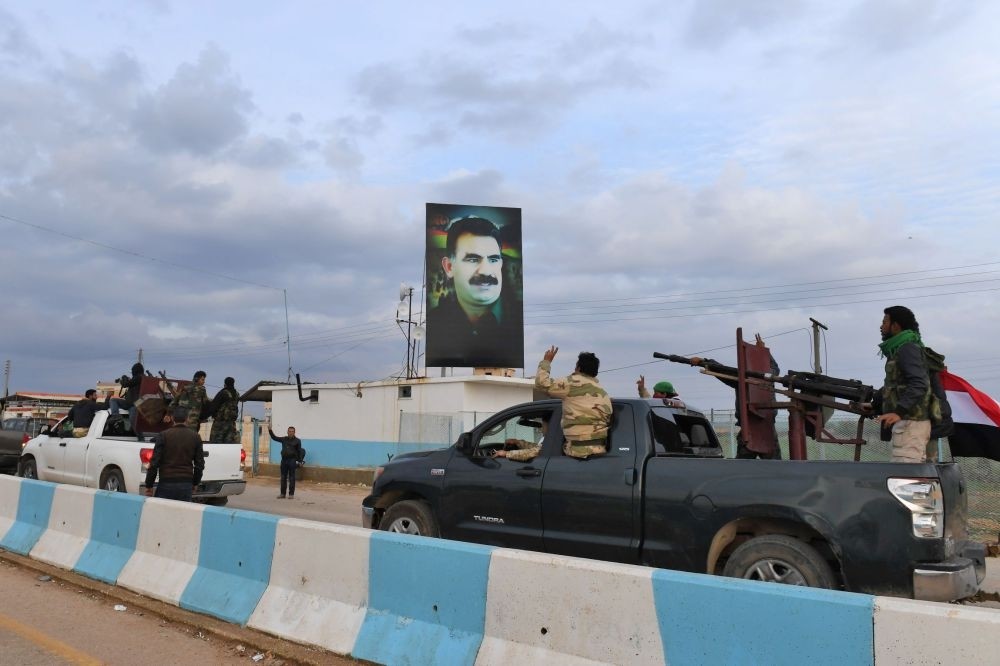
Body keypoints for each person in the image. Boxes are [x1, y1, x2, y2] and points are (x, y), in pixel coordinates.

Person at [425, 216, 524, 368]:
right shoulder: (436, 324)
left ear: (501, 264)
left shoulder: (517, 322)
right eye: (472, 259)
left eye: (493, 259)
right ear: (449, 267)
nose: (485, 271)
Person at [871, 306, 945, 463]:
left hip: (911, 423)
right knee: (914, 478)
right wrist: (874, 404)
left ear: (896, 326)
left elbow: (919, 383)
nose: (881, 326)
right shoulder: (903, 348)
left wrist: (899, 411)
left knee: (906, 479)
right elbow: (896, 385)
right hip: (911, 423)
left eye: (885, 322)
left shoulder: (907, 348)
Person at [691, 334, 781, 460]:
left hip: (757, 430)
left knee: (747, 467)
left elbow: (722, 370)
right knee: (770, 467)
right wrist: (703, 361)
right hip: (757, 430)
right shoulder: (761, 376)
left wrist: (702, 361)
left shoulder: (758, 377)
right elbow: (722, 370)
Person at [534, 346, 612, 459]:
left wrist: (546, 361)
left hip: (577, 453)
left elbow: (541, 384)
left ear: (578, 368)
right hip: (600, 451)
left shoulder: (572, 383)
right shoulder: (603, 393)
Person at [144, 406, 205, 502]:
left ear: (172, 418)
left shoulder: (163, 435)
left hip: (166, 482)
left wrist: (149, 485)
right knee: (182, 515)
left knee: (162, 514)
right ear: (187, 418)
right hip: (186, 484)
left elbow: (154, 463)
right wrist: (195, 483)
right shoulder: (195, 437)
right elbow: (199, 464)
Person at [269, 424, 304, 499]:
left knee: (292, 477)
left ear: (294, 432)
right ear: (287, 432)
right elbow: (274, 438)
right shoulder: (283, 439)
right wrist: (270, 430)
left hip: (292, 460)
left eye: (292, 431)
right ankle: (282, 494)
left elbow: (299, 451)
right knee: (283, 477)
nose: (291, 432)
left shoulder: (297, 441)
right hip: (284, 460)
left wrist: (300, 461)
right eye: (289, 431)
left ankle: (291, 494)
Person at [109, 362, 144, 436]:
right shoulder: (140, 378)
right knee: (113, 400)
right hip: (131, 404)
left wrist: (124, 378)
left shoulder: (139, 377)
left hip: (134, 404)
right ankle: (116, 416)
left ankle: (116, 416)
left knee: (133, 420)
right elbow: (129, 384)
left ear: (135, 370)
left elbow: (125, 384)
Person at [209, 377, 240, 443]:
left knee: (216, 443)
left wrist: (205, 416)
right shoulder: (237, 394)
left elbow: (213, 406)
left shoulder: (223, 393)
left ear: (225, 384)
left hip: (220, 423)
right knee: (229, 444)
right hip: (231, 424)